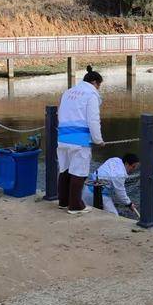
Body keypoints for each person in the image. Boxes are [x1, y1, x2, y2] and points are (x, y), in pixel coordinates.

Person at [57, 65, 104, 214]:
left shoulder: (68, 92)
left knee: (64, 169)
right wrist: (98, 140)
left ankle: (63, 201)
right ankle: (75, 205)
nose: (99, 89)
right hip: (80, 139)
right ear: (95, 82)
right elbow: (93, 120)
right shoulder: (91, 95)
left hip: (63, 137)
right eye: (99, 85)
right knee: (79, 172)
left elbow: (60, 113)